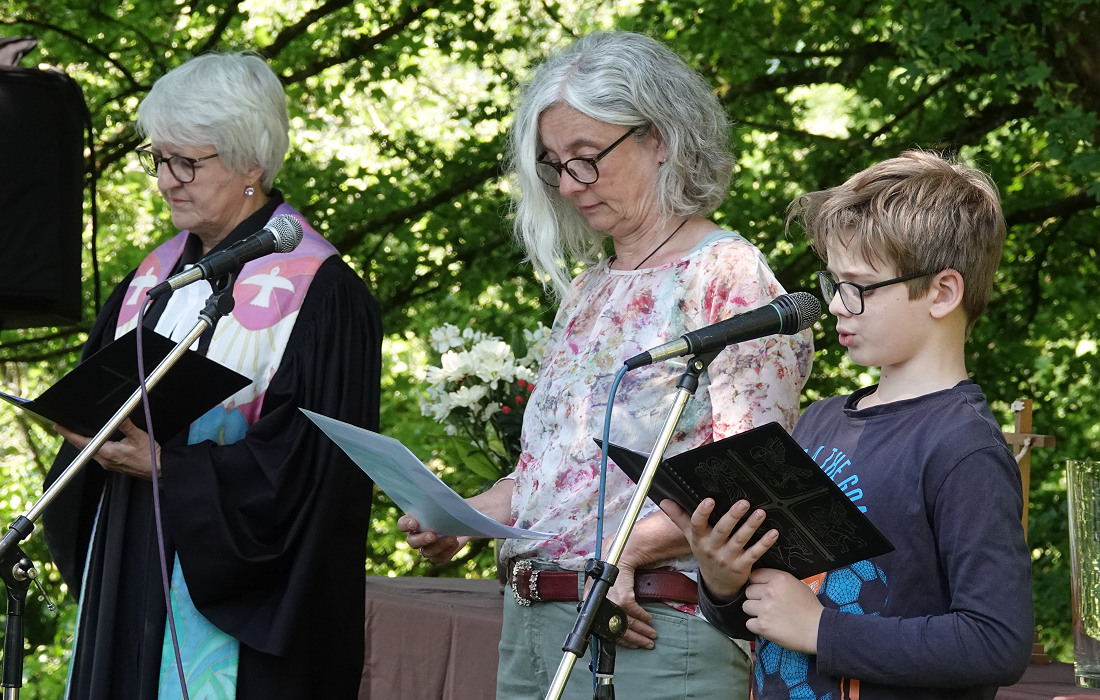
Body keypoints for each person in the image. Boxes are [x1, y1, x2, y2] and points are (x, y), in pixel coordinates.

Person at [399, 31, 814, 699]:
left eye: (586, 158)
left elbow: (746, 478)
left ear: (659, 138)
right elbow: (562, 473)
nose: (568, 185)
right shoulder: (591, 291)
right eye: (554, 165)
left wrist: (626, 552)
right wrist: (468, 516)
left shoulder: (723, 275)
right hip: (533, 622)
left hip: (652, 625)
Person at [41, 52, 382, 699]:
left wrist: (170, 468)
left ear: (250, 162)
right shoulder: (152, 282)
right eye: (158, 160)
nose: (166, 181)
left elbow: (310, 479)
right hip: (130, 559)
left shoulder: (321, 294)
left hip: (234, 601)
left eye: (186, 163)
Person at [669, 150, 1034, 699]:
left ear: (942, 292)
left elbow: (996, 642)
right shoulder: (820, 422)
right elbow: (772, 618)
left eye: (859, 286)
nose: (837, 305)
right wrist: (722, 584)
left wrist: (822, 630)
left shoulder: (963, 447)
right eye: (833, 281)